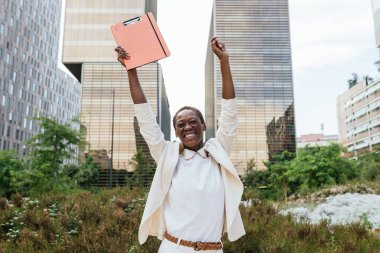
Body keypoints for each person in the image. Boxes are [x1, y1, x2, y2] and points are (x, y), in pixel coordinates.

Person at [115, 37, 245, 252]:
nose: (187, 127)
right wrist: (131, 70)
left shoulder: (218, 152)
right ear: (176, 131)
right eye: (181, 124)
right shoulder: (167, 154)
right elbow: (146, 120)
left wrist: (224, 61)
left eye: (193, 122)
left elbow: (230, 114)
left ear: (203, 126)